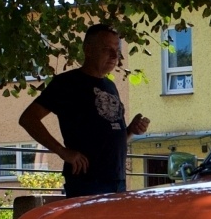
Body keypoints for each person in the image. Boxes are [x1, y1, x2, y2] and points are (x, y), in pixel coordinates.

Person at [19, 23, 150, 196]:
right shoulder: (67, 84)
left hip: (117, 180)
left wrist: (131, 130)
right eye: (106, 49)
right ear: (88, 50)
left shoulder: (110, 86)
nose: (113, 55)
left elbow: (109, 136)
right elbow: (28, 119)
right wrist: (62, 151)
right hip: (87, 183)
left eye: (116, 50)